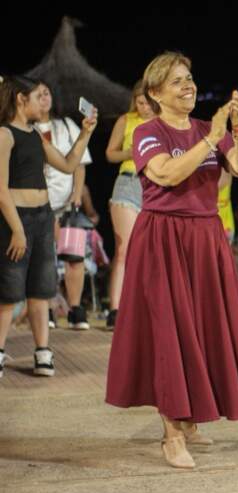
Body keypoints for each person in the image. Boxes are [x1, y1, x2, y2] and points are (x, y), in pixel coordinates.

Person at [105, 52, 238, 469]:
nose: (188, 86)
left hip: (206, 236)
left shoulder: (208, 128)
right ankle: (172, 436)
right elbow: (168, 174)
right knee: (168, 333)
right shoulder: (147, 132)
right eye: (177, 81)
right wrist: (211, 138)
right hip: (163, 238)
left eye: (190, 79)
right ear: (155, 93)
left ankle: (191, 421)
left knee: (203, 328)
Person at [0, 75, 97, 379]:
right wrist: (16, 228)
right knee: (9, 291)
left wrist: (84, 135)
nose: (42, 103)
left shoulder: (36, 135)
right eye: (36, 96)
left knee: (41, 290)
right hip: (15, 219)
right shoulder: (4, 135)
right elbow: (0, 191)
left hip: (43, 218)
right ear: (20, 99)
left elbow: (68, 165)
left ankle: (43, 351)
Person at [34, 81, 93, 330]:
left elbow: (79, 163)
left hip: (68, 206)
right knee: (44, 259)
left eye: (46, 93)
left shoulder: (67, 126)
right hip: (38, 206)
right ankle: (47, 309)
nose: (43, 97)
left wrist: (77, 195)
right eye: (37, 94)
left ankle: (75, 308)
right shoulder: (25, 129)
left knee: (74, 257)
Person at [104, 80, 155, 330]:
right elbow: (110, 153)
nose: (142, 106)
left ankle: (143, 308)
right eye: (139, 100)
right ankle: (115, 309)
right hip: (128, 183)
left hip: (155, 187)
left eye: (146, 101)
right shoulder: (126, 120)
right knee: (124, 249)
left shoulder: (163, 121)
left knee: (148, 252)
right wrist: (131, 152)